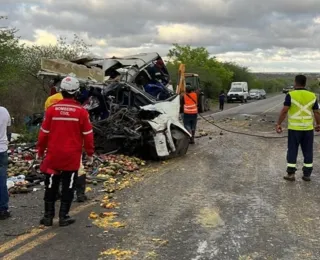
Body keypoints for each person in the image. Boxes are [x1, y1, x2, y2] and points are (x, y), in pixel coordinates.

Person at [37, 76, 94, 227]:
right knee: (68, 185)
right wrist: (90, 154)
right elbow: (88, 136)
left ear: (61, 91)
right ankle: (64, 217)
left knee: (50, 185)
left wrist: (40, 152)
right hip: (71, 156)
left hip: (53, 155)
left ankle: (48, 217)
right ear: (76, 92)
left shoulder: (51, 110)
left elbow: (43, 133)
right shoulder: (81, 112)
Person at [44, 80, 89, 203]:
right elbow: (84, 128)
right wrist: (88, 149)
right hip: (72, 142)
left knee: (54, 168)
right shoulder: (77, 106)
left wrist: (42, 146)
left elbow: (46, 123)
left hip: (54, 141)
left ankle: (55, 194)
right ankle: (79, 194)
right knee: (78, 167)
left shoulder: (50, 101)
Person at [276, 74, 320, 181]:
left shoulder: (290, 95)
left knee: (292, 150)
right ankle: (307, 174)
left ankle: (291, 174)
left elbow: (285, 110)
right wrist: (318, 124)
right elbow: (317, 112)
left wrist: (278, 124)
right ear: (305, 83)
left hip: (294, 129)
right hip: (308, 130)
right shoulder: (312, 96)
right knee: (308, 151)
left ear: (295, 82)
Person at [0, 107, 11, 220]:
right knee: (1, 181)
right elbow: (8, 131)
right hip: (2, 150)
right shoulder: (4, 111)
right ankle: (3, 210)